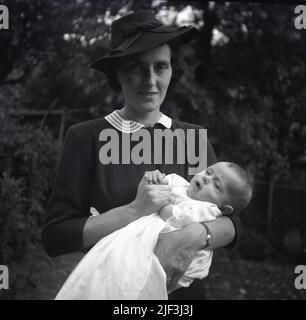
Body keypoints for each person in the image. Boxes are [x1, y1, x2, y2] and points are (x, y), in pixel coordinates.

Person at [42, 10, 243, 300]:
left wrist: (194, 235)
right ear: (117, 75)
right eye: (136, 67)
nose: (150, 81)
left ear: (172, 70)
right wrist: (134, 210)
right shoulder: (86, 137)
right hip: (113, 292)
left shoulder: (192, 137)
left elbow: (232, 221)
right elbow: (55, 236)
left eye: (160, 67)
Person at [55, 162, 252, 300]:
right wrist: (154, 177)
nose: (206, 178)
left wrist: (159, 203)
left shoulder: (207, 210)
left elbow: (176, 218)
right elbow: (161, 183)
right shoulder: (179, 182)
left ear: (224, 208)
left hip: (174, 271)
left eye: (216, 185)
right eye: (208, 172)